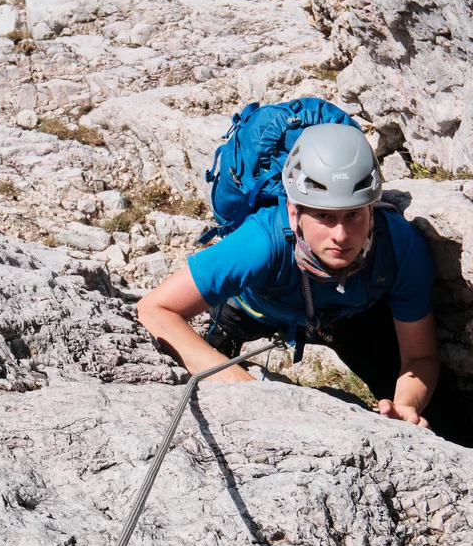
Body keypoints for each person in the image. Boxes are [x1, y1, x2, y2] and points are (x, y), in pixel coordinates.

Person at [137, 122, 451, 429]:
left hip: (345, 317)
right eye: (324, 216)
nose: (340, 235)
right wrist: (240, 383)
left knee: (438, 409)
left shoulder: (400, 246)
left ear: (372, 213)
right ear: (293, 211)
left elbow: (420, 357)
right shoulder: (262, 243)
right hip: (254, 307)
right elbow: (155, 308)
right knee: (207, 359)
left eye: (353, 214)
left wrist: (406, 406)